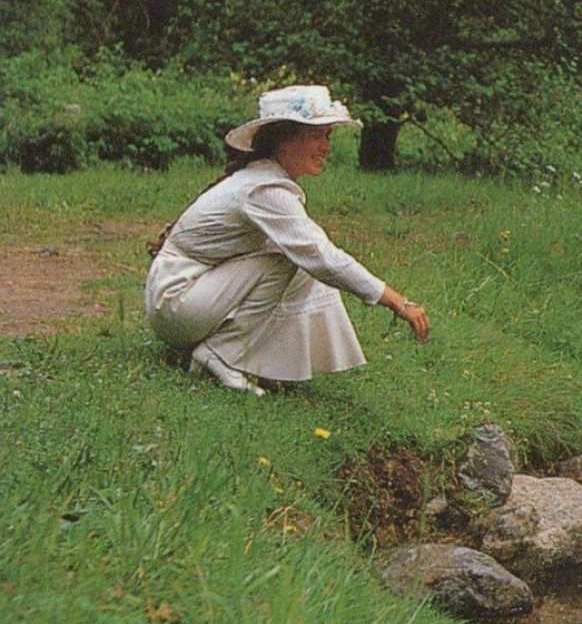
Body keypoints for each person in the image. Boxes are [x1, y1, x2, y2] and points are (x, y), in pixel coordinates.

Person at [145, 85, 430, 396]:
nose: (325, 146)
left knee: (295, 259)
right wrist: (397, 302)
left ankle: (249, 358)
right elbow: (323, 257)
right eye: (315, 136)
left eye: (327, 136)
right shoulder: (265, 189)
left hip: (186, 300)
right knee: (291, 259)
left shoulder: (263, 179)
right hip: (178, 302)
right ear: (283, 140)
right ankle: (220, 352)